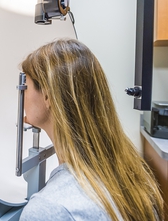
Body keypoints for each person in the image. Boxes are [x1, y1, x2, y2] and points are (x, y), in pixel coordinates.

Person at [19, 39, 163, 221]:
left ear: (47, 95)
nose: (21, 94)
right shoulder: (134, 176)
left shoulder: (49, 209)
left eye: (25, 84)